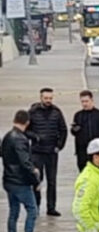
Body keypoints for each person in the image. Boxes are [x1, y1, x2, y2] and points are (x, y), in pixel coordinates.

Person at [1, 110, 43, 232]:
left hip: (8, 180)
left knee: (13, 212)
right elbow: (25, 163)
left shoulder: (7, 137)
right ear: (27, 123)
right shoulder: (20, 139)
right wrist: (35, 179)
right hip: (21, 182)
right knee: (32, 210)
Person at [27, 87, 67, 216]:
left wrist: (59, 146)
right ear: (41, 98)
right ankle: (36, 206)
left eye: (50, 98)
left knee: (52, 181)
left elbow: (63, 130)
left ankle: (51, 207)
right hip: (37, 152)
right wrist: (35, 137)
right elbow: (25, 130)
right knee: (37, 180)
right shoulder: (33, 112)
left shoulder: (57, 112)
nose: (48, 100)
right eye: (46, 98)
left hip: (51, 152)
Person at [70, 90, 99, 172]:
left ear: (92, 100)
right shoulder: (78, 115)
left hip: (98, 151)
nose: (85, 104)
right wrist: (74, 130)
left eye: (86, 101)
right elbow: (75, 133)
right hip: (82, 152)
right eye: (82, 101)